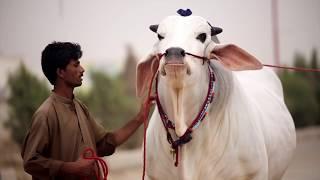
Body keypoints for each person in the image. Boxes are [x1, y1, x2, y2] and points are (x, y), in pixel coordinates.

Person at [21, 42, 153, 180]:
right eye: (76, 65)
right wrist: (71, 168)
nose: (82, 69)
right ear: (60, 72)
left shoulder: (80, 107)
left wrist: (140, 116)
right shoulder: (45, 114)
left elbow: (106, 143)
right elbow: (30, 162)